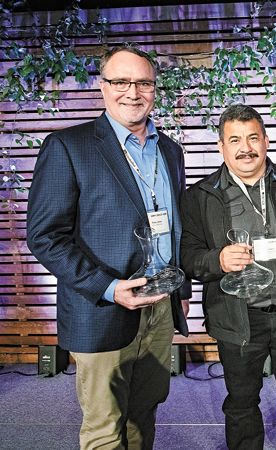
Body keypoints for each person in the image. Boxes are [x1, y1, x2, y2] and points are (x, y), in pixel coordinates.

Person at [26, 45, 190, 449]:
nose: (132, 92)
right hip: (102, 306)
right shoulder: (69, 146)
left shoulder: (170, 150)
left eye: (143, 82)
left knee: (143, 414)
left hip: (159, 306)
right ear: (103, 87)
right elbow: (46, 236)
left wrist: (180, 292)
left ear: (154, 89)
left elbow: (175, 228)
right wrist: (109, 287)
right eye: (121, 81)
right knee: (103, 428)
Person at [179, 104, 276, 449]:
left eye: (253, 137)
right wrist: (217, 259)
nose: (245, 148)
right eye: (234, 139)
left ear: (266, 141)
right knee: (241, 402)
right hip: (236, 318)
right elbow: (187, 257)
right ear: (221, 147)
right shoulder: (200, 197)